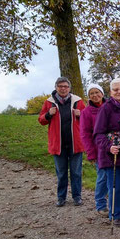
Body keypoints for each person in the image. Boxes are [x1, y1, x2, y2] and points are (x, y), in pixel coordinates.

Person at [93, 78, 120, 227]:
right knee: (115, 185)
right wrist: (108, 146)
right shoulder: (106, 108)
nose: (119, 92)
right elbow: (98, 134)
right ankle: (114, 214)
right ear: (111, 92)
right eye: (116, 89)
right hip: (112, 155)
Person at [38, 77, 86, 207]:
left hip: (75, 143)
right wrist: (48, 114)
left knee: (76, 172)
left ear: (69, 88)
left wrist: (80, 114)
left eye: (65, 86)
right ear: (56, 88)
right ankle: (61, 197)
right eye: (60, 86)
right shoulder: (49, 102)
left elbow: (87, 120)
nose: (63, 88)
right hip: (58, 144)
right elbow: (41, 120)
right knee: (61, 173)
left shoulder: (78, 101)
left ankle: (77, 197)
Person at [80, 83, 108, 216]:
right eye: (92, 93)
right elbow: (85, 134)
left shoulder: (109, 107)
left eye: (97, 92)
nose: (95, 95)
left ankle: (116, 199)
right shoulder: (86, 112)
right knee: (102, 176)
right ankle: (101, 204)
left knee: (116, 176)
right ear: (89, 97)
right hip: (99, 150)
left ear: (102, 94)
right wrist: (91, 153)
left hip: (113, 147)